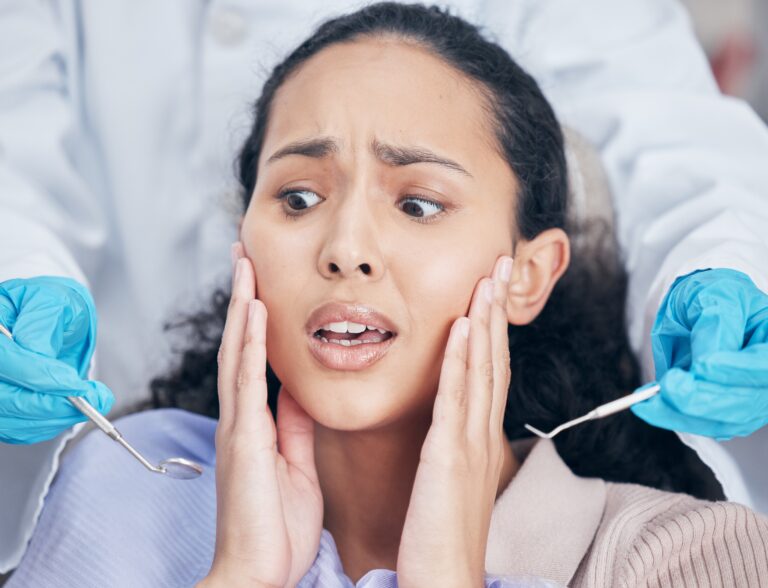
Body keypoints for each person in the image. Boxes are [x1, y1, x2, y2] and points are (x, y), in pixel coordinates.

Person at [7, 5, 767, 587]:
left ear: (530, 274)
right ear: (242, 240)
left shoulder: (681, 554)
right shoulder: (112, 497)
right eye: (298, 198)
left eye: (419, 204)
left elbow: (662, 117)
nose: (344, 250)